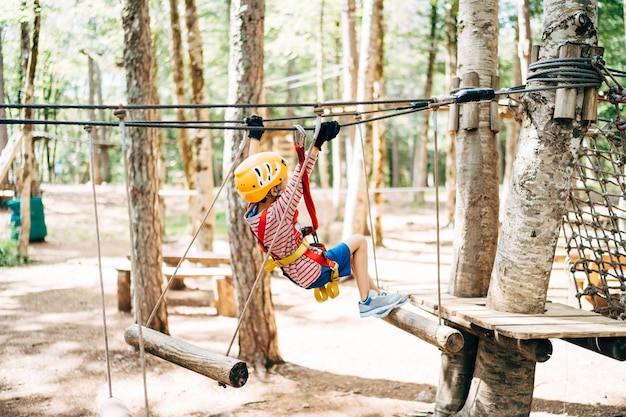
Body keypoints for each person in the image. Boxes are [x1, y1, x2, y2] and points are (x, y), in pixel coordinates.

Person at [234, 115, 408, 318]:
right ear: (272, 191)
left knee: (351, 255)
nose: (285, 183)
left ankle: (377, 294)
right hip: (312, 270)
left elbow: (251, 171)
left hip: (299, 271)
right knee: (359, 241)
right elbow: (301, 176)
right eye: (282, 181)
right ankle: (367, 301)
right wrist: (317, 143)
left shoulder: (254, 210)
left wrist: (254, 136)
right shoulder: (279, 211)